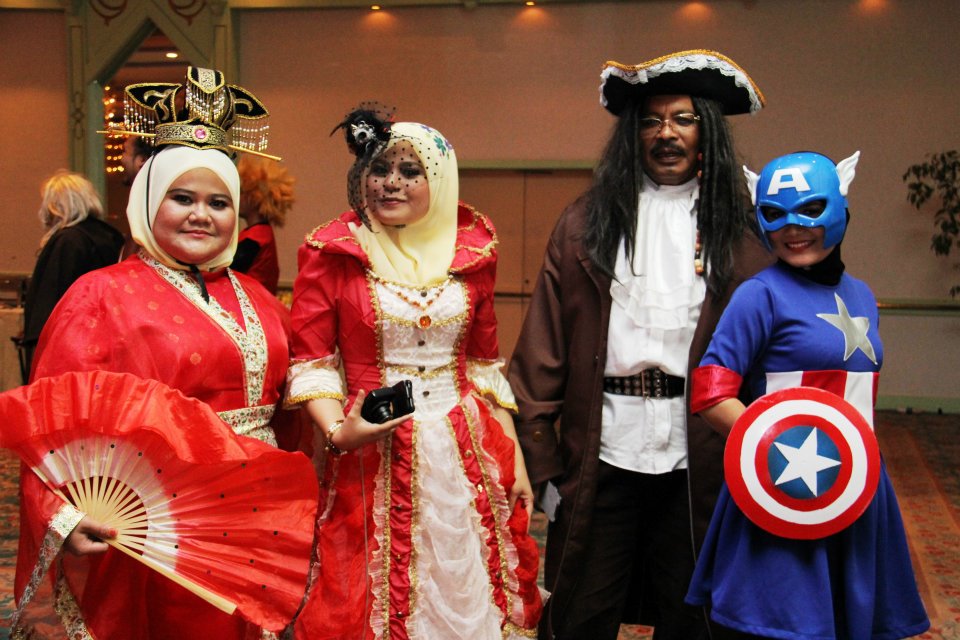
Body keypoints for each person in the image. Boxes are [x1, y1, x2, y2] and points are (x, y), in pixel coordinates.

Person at [13, 67, 309, 639]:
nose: (202, 214)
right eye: (182, 198)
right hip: (158, 516)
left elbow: (294, 409)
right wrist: (61, 510)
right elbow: (52, 423)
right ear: (148, 200)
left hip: (256, 511)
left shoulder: (259, 298)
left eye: (219, 202)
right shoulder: (99, 296)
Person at [508, 50, 772, 640]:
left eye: (683, 119)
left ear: (707, 132)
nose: (666, 133)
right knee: (580, 613)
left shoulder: (744, 232)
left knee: (694, 617)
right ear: (633, 135)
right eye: (651, 121)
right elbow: (541, 351)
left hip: (701, 460)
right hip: (603, 454)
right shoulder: (584, 223)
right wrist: (544, 463)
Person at [285, 107, 543, 638]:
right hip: (369, 450)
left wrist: (514, 455)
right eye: (379, 169)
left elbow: (482, 366)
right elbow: (312, 363)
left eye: (410, 171)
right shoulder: (332, 251)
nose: (391, 183)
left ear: (439, 180)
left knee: (469, 582)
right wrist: (339, 433)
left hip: (464, 445)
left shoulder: (472, 252)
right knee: (370, 596)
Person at [686, 151, 930, 639]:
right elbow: (711, 390)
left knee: (849, 621)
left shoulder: (862, 294)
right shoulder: (759, 294)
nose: (793, 229)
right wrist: (776, 448)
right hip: (787, 485)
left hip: (857, 486)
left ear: (841, 209)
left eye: (810, 211)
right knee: (786, 626)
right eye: (775, 215)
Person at [21, 170, 124, 376]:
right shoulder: (110, 237)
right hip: (105, 343)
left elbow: (50, 300)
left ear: (55, 206)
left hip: (69, 347)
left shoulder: (68, 241)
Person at [229, 154, 295, 294]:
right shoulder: (262, 234)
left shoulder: (255, 237)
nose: (237, 197)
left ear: (255, 198)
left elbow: (226, 271)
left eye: (242, 192)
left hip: (252, 300)